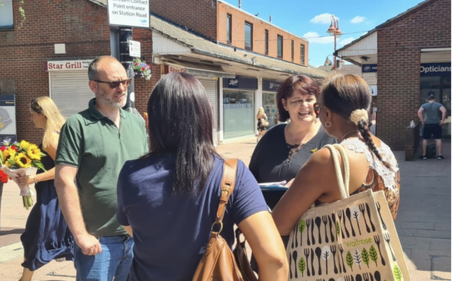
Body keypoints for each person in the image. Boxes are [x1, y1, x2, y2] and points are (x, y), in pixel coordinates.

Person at [116, 72, 288, 281]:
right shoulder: (233, 174)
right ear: (206, 118)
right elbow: (275, 259)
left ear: (149, 121)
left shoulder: (131, 175)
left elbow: (135, 231)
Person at [272, 74, 401, 245]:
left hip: (334, 266)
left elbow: (278, 225)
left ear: (327, 113)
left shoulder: (329, 158)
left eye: (318, 108)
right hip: (376, 260)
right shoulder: (383, 149)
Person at [54, 55, 149, 281]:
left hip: (137, 238)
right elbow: (64, 180)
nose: (122, 88)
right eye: (114, 83)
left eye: (125, 82)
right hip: (99, 242)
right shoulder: (77, 125)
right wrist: (80, 235)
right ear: (93, 86)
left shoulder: (136, 122)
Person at [16, 97, 74, 281]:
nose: (31, 118)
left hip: (53, 196)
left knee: (34, 235)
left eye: (33, 115)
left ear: (43, 115)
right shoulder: (63, 129)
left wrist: (32, 178)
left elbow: (64, 167)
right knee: (57, 237)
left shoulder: (50, 138)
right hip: (59, 194)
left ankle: (25, 279)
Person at [249, 74, 337, 186]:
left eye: (309, 99)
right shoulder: (271, 136)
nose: (304, 105)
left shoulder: (331, 138)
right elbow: (251, 178)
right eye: (297, 101)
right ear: (285, 104)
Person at [418, 94, 447, 160]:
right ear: (434, 99)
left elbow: (419, 112)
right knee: (438, 139)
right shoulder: (438, 104)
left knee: (425, 139)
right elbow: (444, 111)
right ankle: (440, 155)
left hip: (427, 124)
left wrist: (422, 121)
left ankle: (424, 155)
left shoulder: (424, 105)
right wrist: (442, 120)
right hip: (437, 124)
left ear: (427, 100)